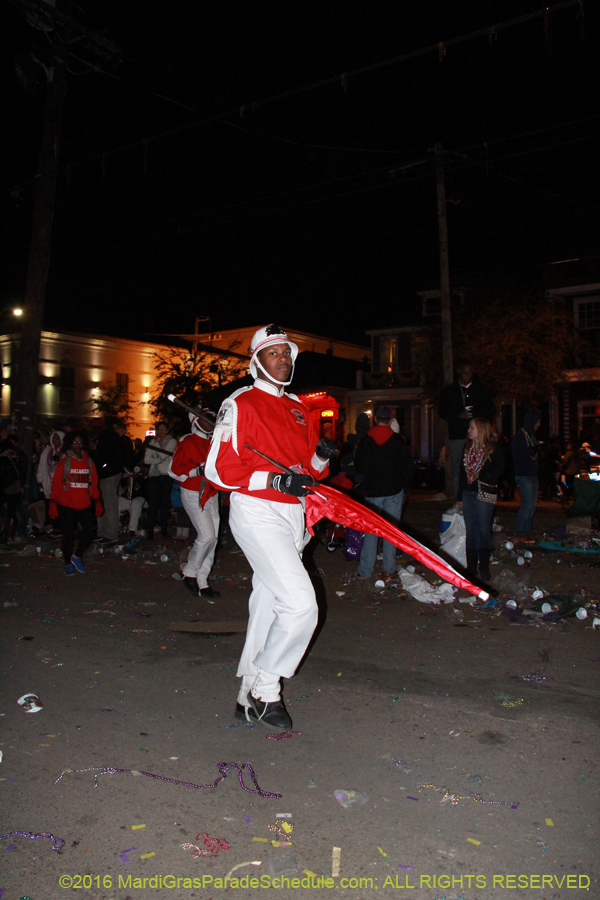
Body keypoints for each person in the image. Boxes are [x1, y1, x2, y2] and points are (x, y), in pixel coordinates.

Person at [205, 324, 335, 729]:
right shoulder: (240, 403)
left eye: (287, 352)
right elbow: (217, 469)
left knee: (268, 604)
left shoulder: (298, 407)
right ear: (256, 360)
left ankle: (245, 695)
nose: (283, 358)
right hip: (257, 512)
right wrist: (273, 480)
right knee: (301, 605)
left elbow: (305, 473)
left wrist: (319, 459)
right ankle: (266, 688)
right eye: (274, 352)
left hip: (293, 515)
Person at [353, 406, 415, 581]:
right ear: (390, 421)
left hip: (372, 492)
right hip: (393, 491)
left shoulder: (366, 441)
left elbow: (358, 466)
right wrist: (405, 486)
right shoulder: (398, 441)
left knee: (371, 531)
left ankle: (366, 569)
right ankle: (388, 568)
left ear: (376, 419)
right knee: (391, 531)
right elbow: (408, 467)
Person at [168, 412, 220, 598]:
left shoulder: (213, 441)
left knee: (212, 540)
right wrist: (195, 471)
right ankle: (190, 573)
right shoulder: (187, 441)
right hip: (193, 493)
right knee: (207, 536)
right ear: (197, 421)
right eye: (207, 418)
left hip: (211, 493)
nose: (212, 421)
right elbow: (173, 470)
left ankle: (202, 581)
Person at [438, 361, 496, 501]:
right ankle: (460, 499)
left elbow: (490, 411)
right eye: (464, 372)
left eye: (469, 372)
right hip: (457, 436)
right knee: (458, 468)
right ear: (458, 371)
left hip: (477, 436)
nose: (467, 375)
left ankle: (476, 498)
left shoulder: (481, 390)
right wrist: (458, 415)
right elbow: (442, 412)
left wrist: (477, 417)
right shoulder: (450, 391)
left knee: (478, 467)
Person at [48, 431, 103, 575]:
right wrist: (53, 503)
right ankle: (67, 563)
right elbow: (56, 484)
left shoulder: (89, 461)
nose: (77, 445)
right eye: (74, 442)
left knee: (90, 531)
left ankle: (76, 556)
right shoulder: (65, 462)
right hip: (67, 504)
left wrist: (97, 502)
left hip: (84, 504)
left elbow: (94, 484)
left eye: (80, 442)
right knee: (68, 535)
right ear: (70, 444)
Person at [457, 418, 504, 582]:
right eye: (469, 427)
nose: (469, 431)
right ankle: (471, 568)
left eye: (472, 428)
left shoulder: (492, 448)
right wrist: (459, 495)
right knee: (470, 530)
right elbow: (462, 472)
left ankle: (484, 567)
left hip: (484, 492)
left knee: (483, 530)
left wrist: (484, 476)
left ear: (481, 430)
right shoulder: (467, 448)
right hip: (468, 492)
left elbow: (501, 468)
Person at [94, 419, 129, 543]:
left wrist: (103, 468)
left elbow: (109, 458)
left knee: (109, 504)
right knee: (104, 503)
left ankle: (110, 534)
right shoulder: (109, 438)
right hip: (106, 474)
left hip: (108, 474)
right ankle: (103, 532)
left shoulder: (108, 439)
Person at [144, 422, 177, 539]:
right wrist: (157, 460)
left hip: (165, 476)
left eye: (164, 429)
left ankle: (164, 530)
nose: (161, 431)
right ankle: (150, 531)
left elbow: (163, 455)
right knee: (152, 504)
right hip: (154, 475)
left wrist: (156, 446)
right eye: (159, 429)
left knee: (164, 504)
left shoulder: (171, 441)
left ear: (167, 430)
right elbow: (147, 460)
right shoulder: (153, 442)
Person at [511, 410, 540, 540]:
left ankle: (526, 530)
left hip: (533, 474)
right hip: (524, 474)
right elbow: (518, 457)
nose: (539, 424)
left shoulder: (532, 436)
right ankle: (519, 530)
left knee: (532, 505)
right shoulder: (519, 437)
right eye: (537, 422)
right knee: (527, 504)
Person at [0, 438, 23, 543]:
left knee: (10, 512)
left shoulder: (4, 458)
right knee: (12, 512)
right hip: (15, 488)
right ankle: (10, 535)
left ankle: (7, 535)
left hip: (6, 487)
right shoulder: (16, 457)